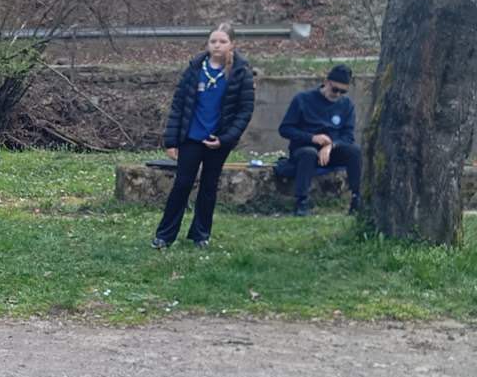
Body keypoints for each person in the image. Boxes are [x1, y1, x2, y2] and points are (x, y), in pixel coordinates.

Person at [152, 22, 256, 249]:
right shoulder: (195, 68)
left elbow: (245, 111)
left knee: (209, 187)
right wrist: (171, 141)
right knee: (182, 184)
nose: (217, 45)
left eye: (223, 41)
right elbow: (179, 105)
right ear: (208, 44)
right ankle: (164, 235)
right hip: (191, 137)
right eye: (213, 41)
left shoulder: (240, 72)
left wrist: (226, 139)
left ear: (232, 45)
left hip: (217, 141)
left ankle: (200, 235)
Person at [279, 64, 362, 216]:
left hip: (331, 151)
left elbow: (348, 136)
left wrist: (331, 145)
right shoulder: (302, 99)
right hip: (304, 148)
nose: (337, 94)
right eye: (335, 89)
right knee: (309, 153)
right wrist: (312, 138)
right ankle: (301, 202)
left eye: (342, 91)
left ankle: (356, 198)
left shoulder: (346, 105)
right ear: (326, 82)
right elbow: (285, 129)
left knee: (355, 151)